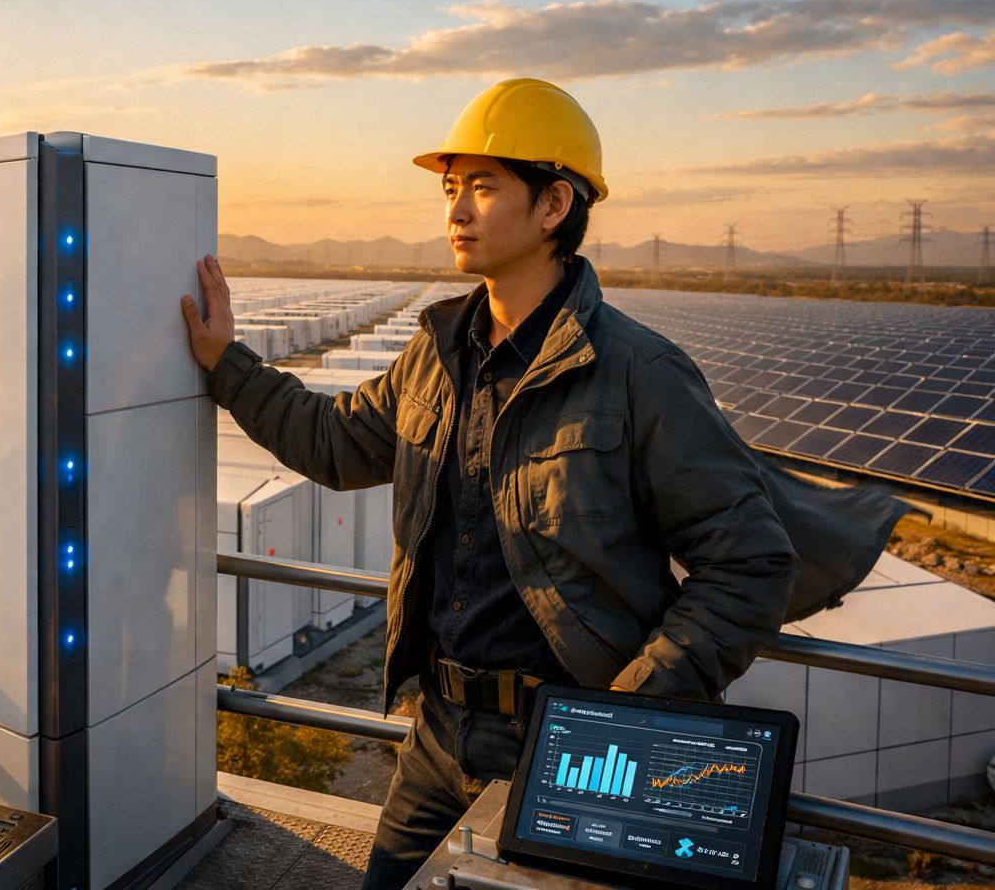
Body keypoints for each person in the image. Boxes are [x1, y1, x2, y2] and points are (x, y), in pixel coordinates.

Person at [180, 77, 816, 888]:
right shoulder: (436, 356)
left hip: (568, 744)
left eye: (482, 187)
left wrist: (622, 711)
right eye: (451, 188)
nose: (455, 210)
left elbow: (752, 565)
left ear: (554, 206)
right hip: (436, 736)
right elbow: (334, 444)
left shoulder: (639, 375)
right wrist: (227, 365)